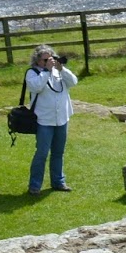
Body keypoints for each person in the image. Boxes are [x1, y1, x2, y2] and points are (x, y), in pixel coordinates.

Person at [25, 44, 77, 195]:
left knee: (58, 152)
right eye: (45, 60)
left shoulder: (58, 72)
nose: (49, 62)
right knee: (41, 153)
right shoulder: (32, 73)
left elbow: (73, 82)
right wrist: (47, 71)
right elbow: (35, 87)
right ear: (37, 61)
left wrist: (61, 69)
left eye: (51, 59)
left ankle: (58, 182)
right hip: (44, 120)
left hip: (61, 118)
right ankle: (35, 186)